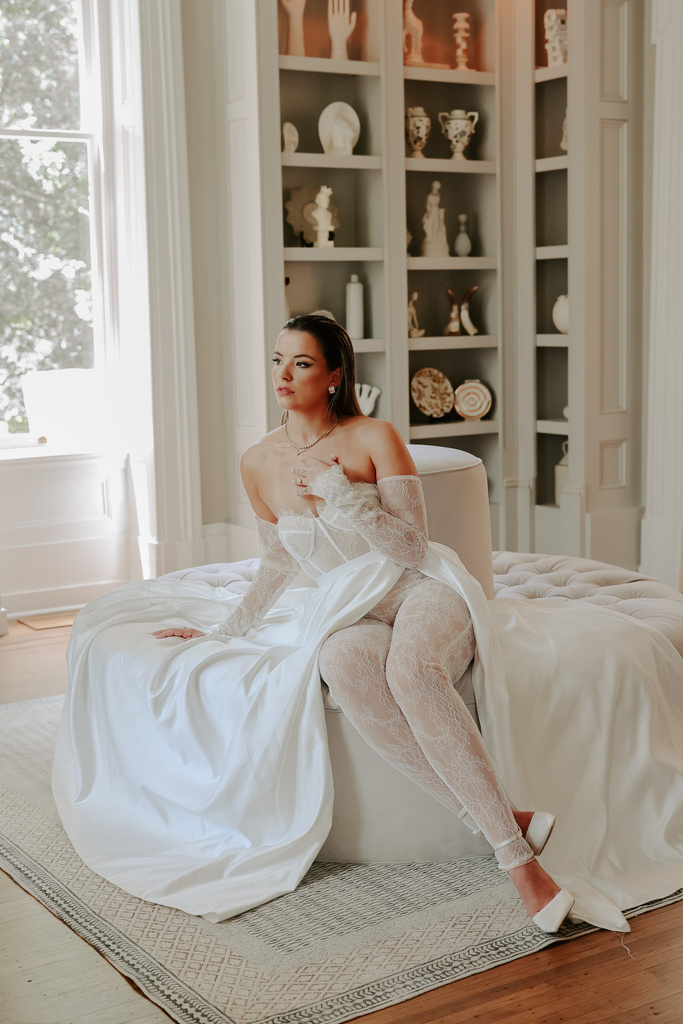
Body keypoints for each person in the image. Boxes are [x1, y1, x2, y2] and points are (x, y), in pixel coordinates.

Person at [53, 316, 683, 931]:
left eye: (301, 362)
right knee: (342, 664)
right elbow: (276, 562)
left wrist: (343, 492)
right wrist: (227, 632)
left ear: (332, 376)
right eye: (278, 359)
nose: (283, 373)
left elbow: (412, 548)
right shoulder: (256, 461)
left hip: (421, 588)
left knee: (412, 672)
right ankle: (506, 819)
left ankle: (518, 864)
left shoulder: (374, 436)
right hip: (347, 604)